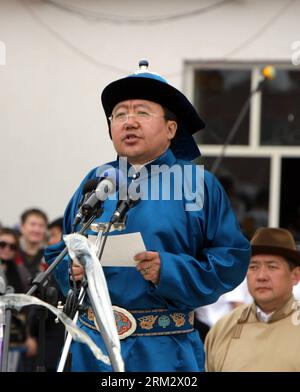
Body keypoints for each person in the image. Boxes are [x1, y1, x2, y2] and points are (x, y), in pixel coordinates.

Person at [45, 60, 251, 372]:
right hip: (92, 348)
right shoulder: (98, 180)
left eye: (142, 112)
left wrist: (167, 270)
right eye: (120, 114)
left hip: (164, 351)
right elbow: (60, 250)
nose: (129, 122)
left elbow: (231, 258)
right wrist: (71, 270)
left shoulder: (197, 184)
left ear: (171, 128)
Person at [205, 227, 300, 372]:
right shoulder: (223, 329)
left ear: (295, 276)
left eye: (272, 267)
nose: (261, 276)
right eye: (253, 267)